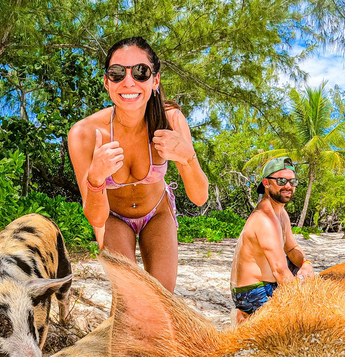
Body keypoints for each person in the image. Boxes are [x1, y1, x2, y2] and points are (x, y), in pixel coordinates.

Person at [67, 37, 209, 293]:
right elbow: (95, 217)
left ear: (155, 80)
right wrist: (96, 179)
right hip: (113, 218)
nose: (129, 82)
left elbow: (199, 197)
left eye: (141, 72)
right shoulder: (84, 134)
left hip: (157, 213)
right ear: (106, 82)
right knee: (129, 301)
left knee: (163, 303)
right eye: (117, 73)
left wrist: (188, 158)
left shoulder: (171, 120)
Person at [230, 156, 315, 325]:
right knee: (302, 324)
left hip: (270, 282)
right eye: (282, 180)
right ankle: (245, 316)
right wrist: (306, 304)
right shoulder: (264, 219)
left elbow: (291, 249)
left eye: (292, 181)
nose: (288, 186)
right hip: (252, 291)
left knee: (304, 271)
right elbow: (280, 271)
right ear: (266, 183)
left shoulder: (281, 213)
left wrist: (306, 263)